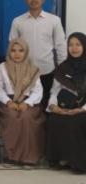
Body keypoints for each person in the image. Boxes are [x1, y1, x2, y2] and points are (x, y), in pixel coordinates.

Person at [9, 0, 66, 106]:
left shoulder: (54, 20)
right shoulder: (18, 21)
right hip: (24, 74)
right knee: (27, 108)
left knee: (46, 107)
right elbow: (12, 47)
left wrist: (63, 72)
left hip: (47, 72)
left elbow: (61, 48)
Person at [0, 38, 45, 166]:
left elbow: (38, 91)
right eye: (13, 50)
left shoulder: (33, 69)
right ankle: (11, 157)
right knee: (12, 117)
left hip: (28, 102)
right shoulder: (2, 67)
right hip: (8, 101)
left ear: (26, 52)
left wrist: (27, 103)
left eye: (21, 51)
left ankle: (29, 158)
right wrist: (8, 102)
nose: (17, 54)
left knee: (26, 117)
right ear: (9, 52)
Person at [46, 32, 86, 173]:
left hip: (83, 110)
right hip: (65, 107)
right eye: (71, 45)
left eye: (78, 45)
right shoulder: (63, 68)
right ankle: (61, 159)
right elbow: (54, 91)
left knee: (77, 121)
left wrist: (82, 109)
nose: (74, 48)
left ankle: (78, 163)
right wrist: (53, 106)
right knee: (55, 119)